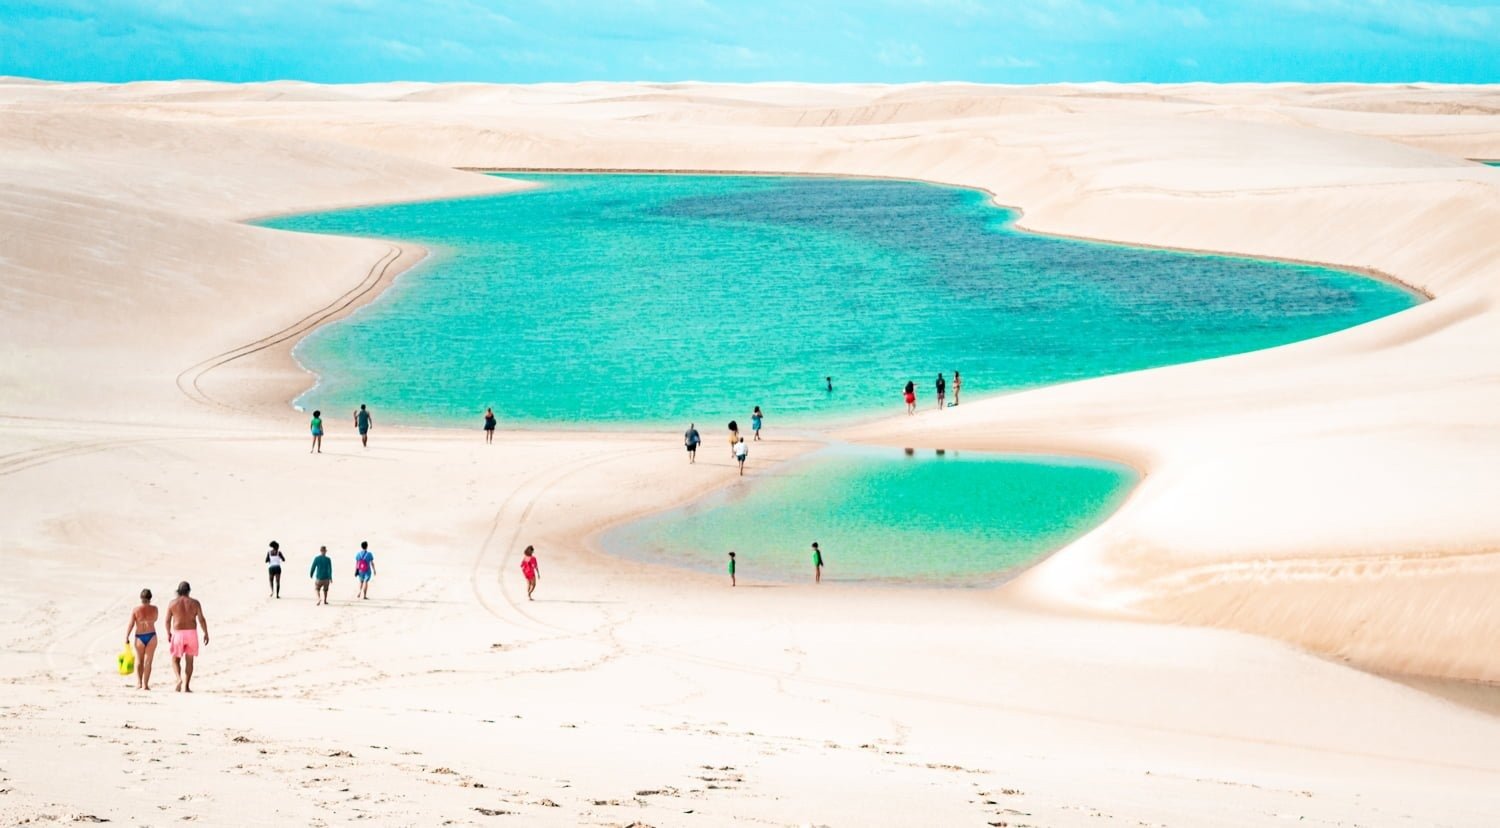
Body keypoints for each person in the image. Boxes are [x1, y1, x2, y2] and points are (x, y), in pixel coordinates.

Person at [165, 581, 208, 693]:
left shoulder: (172, 603)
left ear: (178, 591)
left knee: (175, 659)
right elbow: (201, 619)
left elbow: (167, 620)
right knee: (189, 661)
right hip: (191, 633)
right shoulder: (195, 603)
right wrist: (206, 633)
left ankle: (179, 679)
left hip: (178, 633)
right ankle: (186, 686)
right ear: (189, 591)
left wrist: (168, 632)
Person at [123, 588, 159, 691]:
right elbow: (155, 619)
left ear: (141, 598)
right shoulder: (155, 609)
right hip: (151, 635)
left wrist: (127, 636)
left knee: (139, 660)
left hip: (139, 636)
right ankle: (145, 685)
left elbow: (131, 623)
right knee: (148, 661)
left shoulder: (136, 610)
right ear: (150, 598)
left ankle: (138, 683)